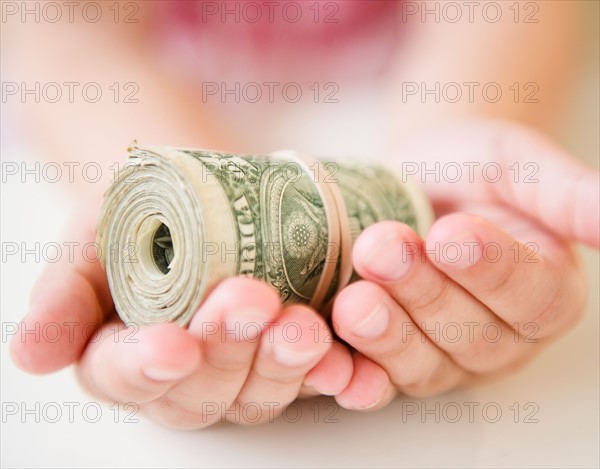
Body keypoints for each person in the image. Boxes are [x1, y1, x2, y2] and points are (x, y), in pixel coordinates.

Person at [5, 0, 599, 429]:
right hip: (151, 86)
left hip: (393, 81)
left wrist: (451, 141)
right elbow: (65, 22)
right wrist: (155, 182)